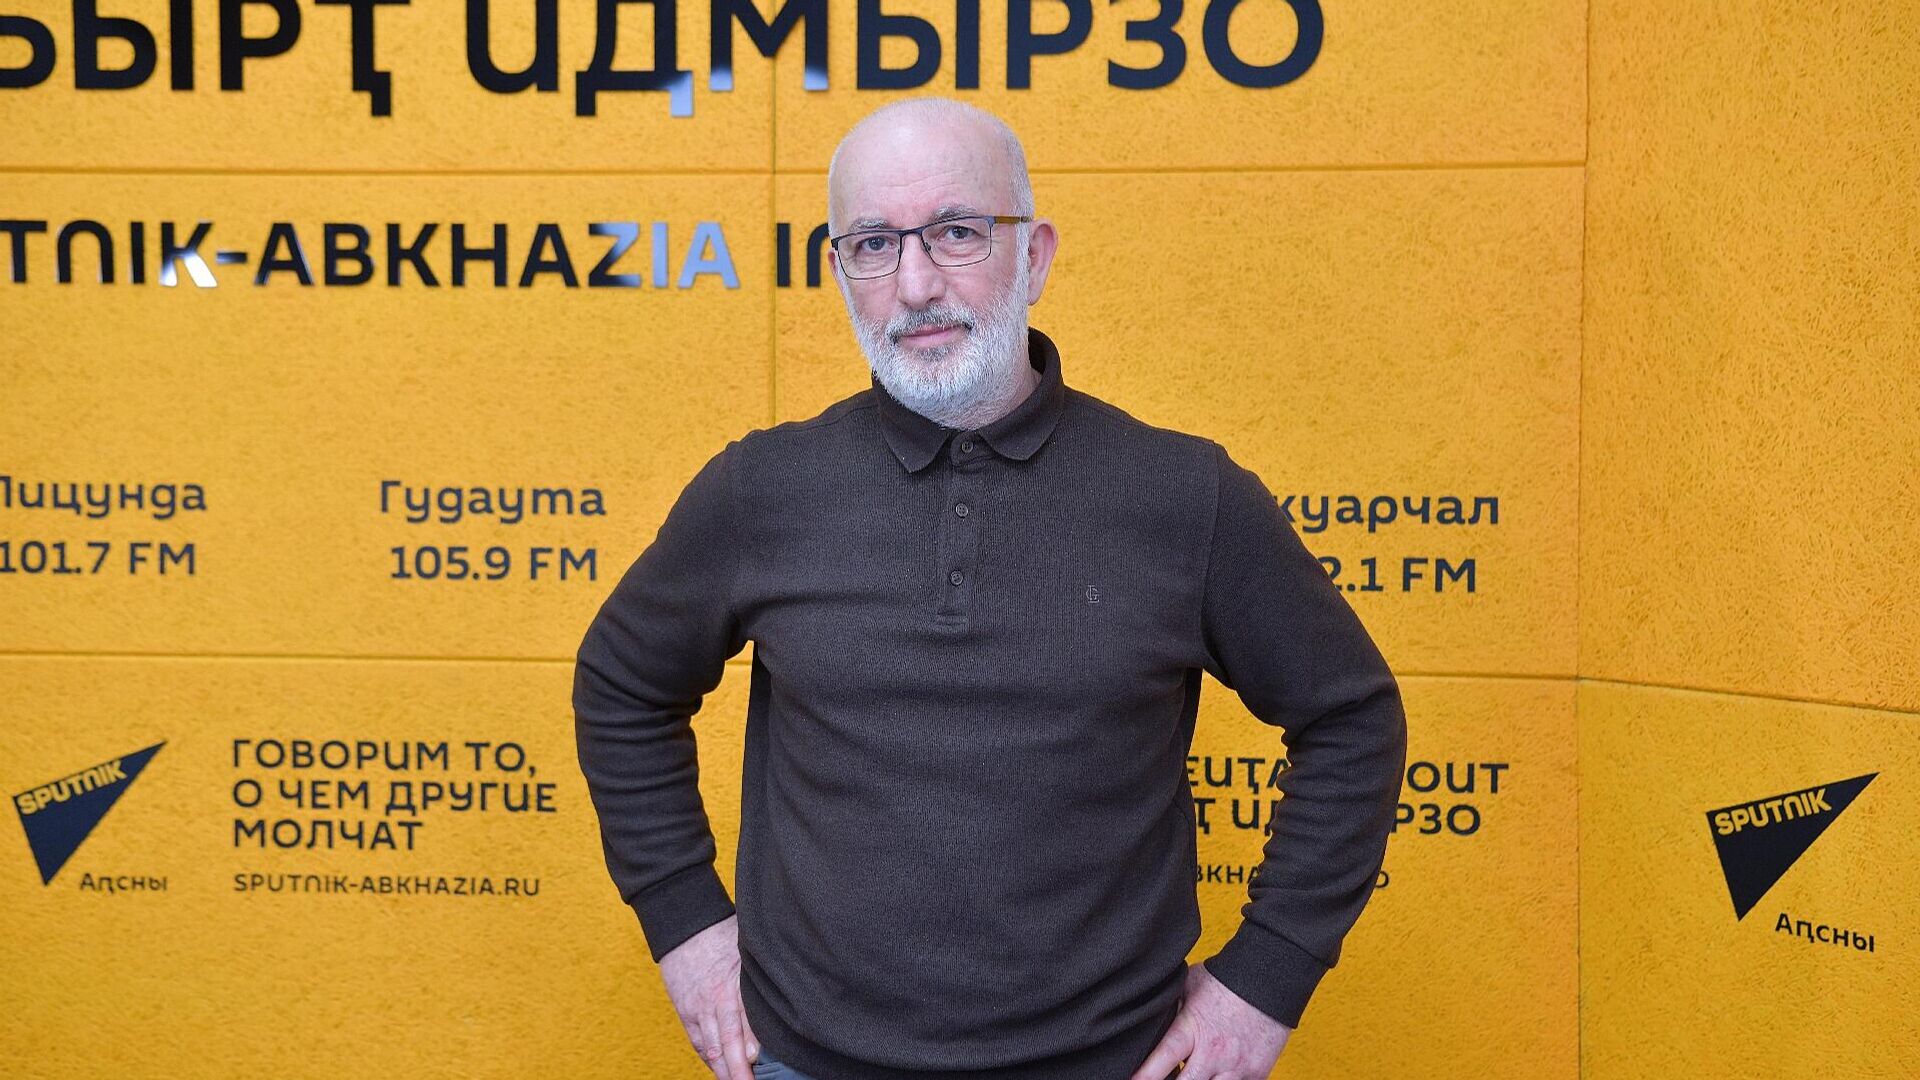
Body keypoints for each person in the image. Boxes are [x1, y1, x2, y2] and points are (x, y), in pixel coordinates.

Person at [573, 96, 1408, 1080]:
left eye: (958, 232)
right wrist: (686, 927)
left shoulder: (1185, 494)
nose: (916, 283)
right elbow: (621, 685)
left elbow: (1351, 720)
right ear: (839, 272)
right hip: (805, 1062)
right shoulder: (763, 490)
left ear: (1035, 256)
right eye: (873, 245)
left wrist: (1266, 979)